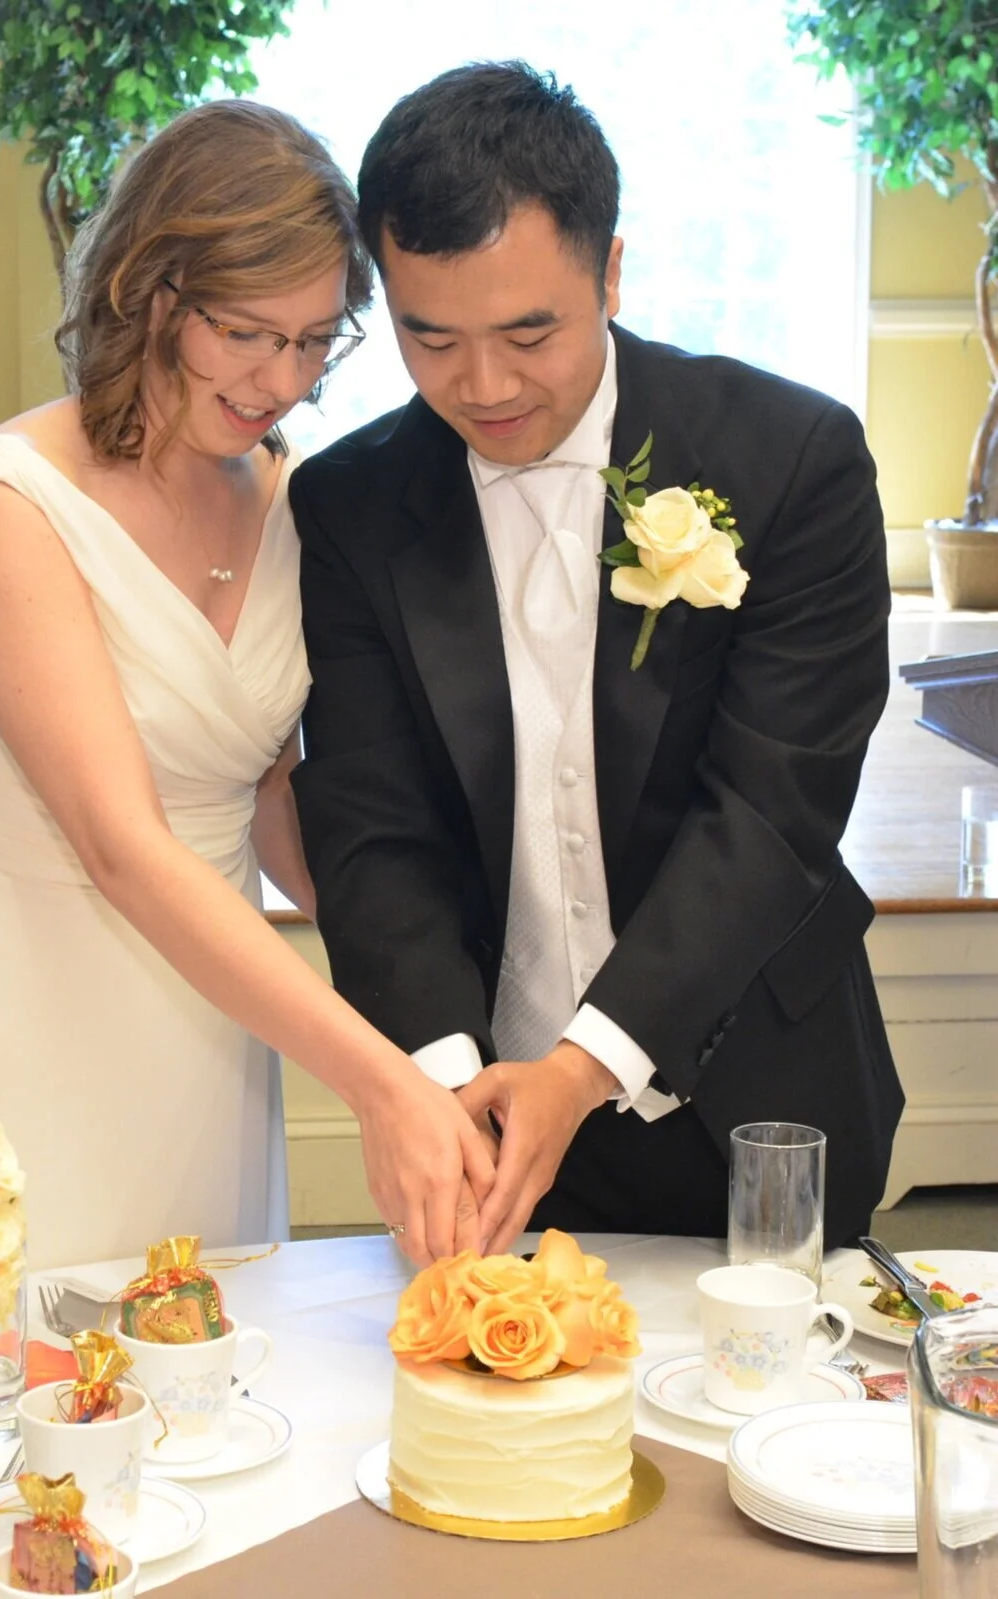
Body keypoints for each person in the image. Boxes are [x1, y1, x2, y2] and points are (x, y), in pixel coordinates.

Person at [0, 101, 493, 1270]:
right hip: (17, 1016)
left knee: (198, 1403)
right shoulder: (4, 502)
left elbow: (271, 792)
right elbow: (118, 843)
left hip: (205, 1035)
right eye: (246, 332)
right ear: (149, 289)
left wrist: (444, 979)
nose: (279, 379)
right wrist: (379, 1079)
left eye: (312, 340)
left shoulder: (289, 492)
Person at [290, 62, 903, 1256]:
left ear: (610, 270)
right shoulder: (349, 503)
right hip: (484, 1112)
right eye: (430, 338)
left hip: (758, 1099)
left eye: (530, 331)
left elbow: (772, 812)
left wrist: (582, 1069)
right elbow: (372, 824)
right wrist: (444, 1077)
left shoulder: (791, 458)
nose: (484, 385)